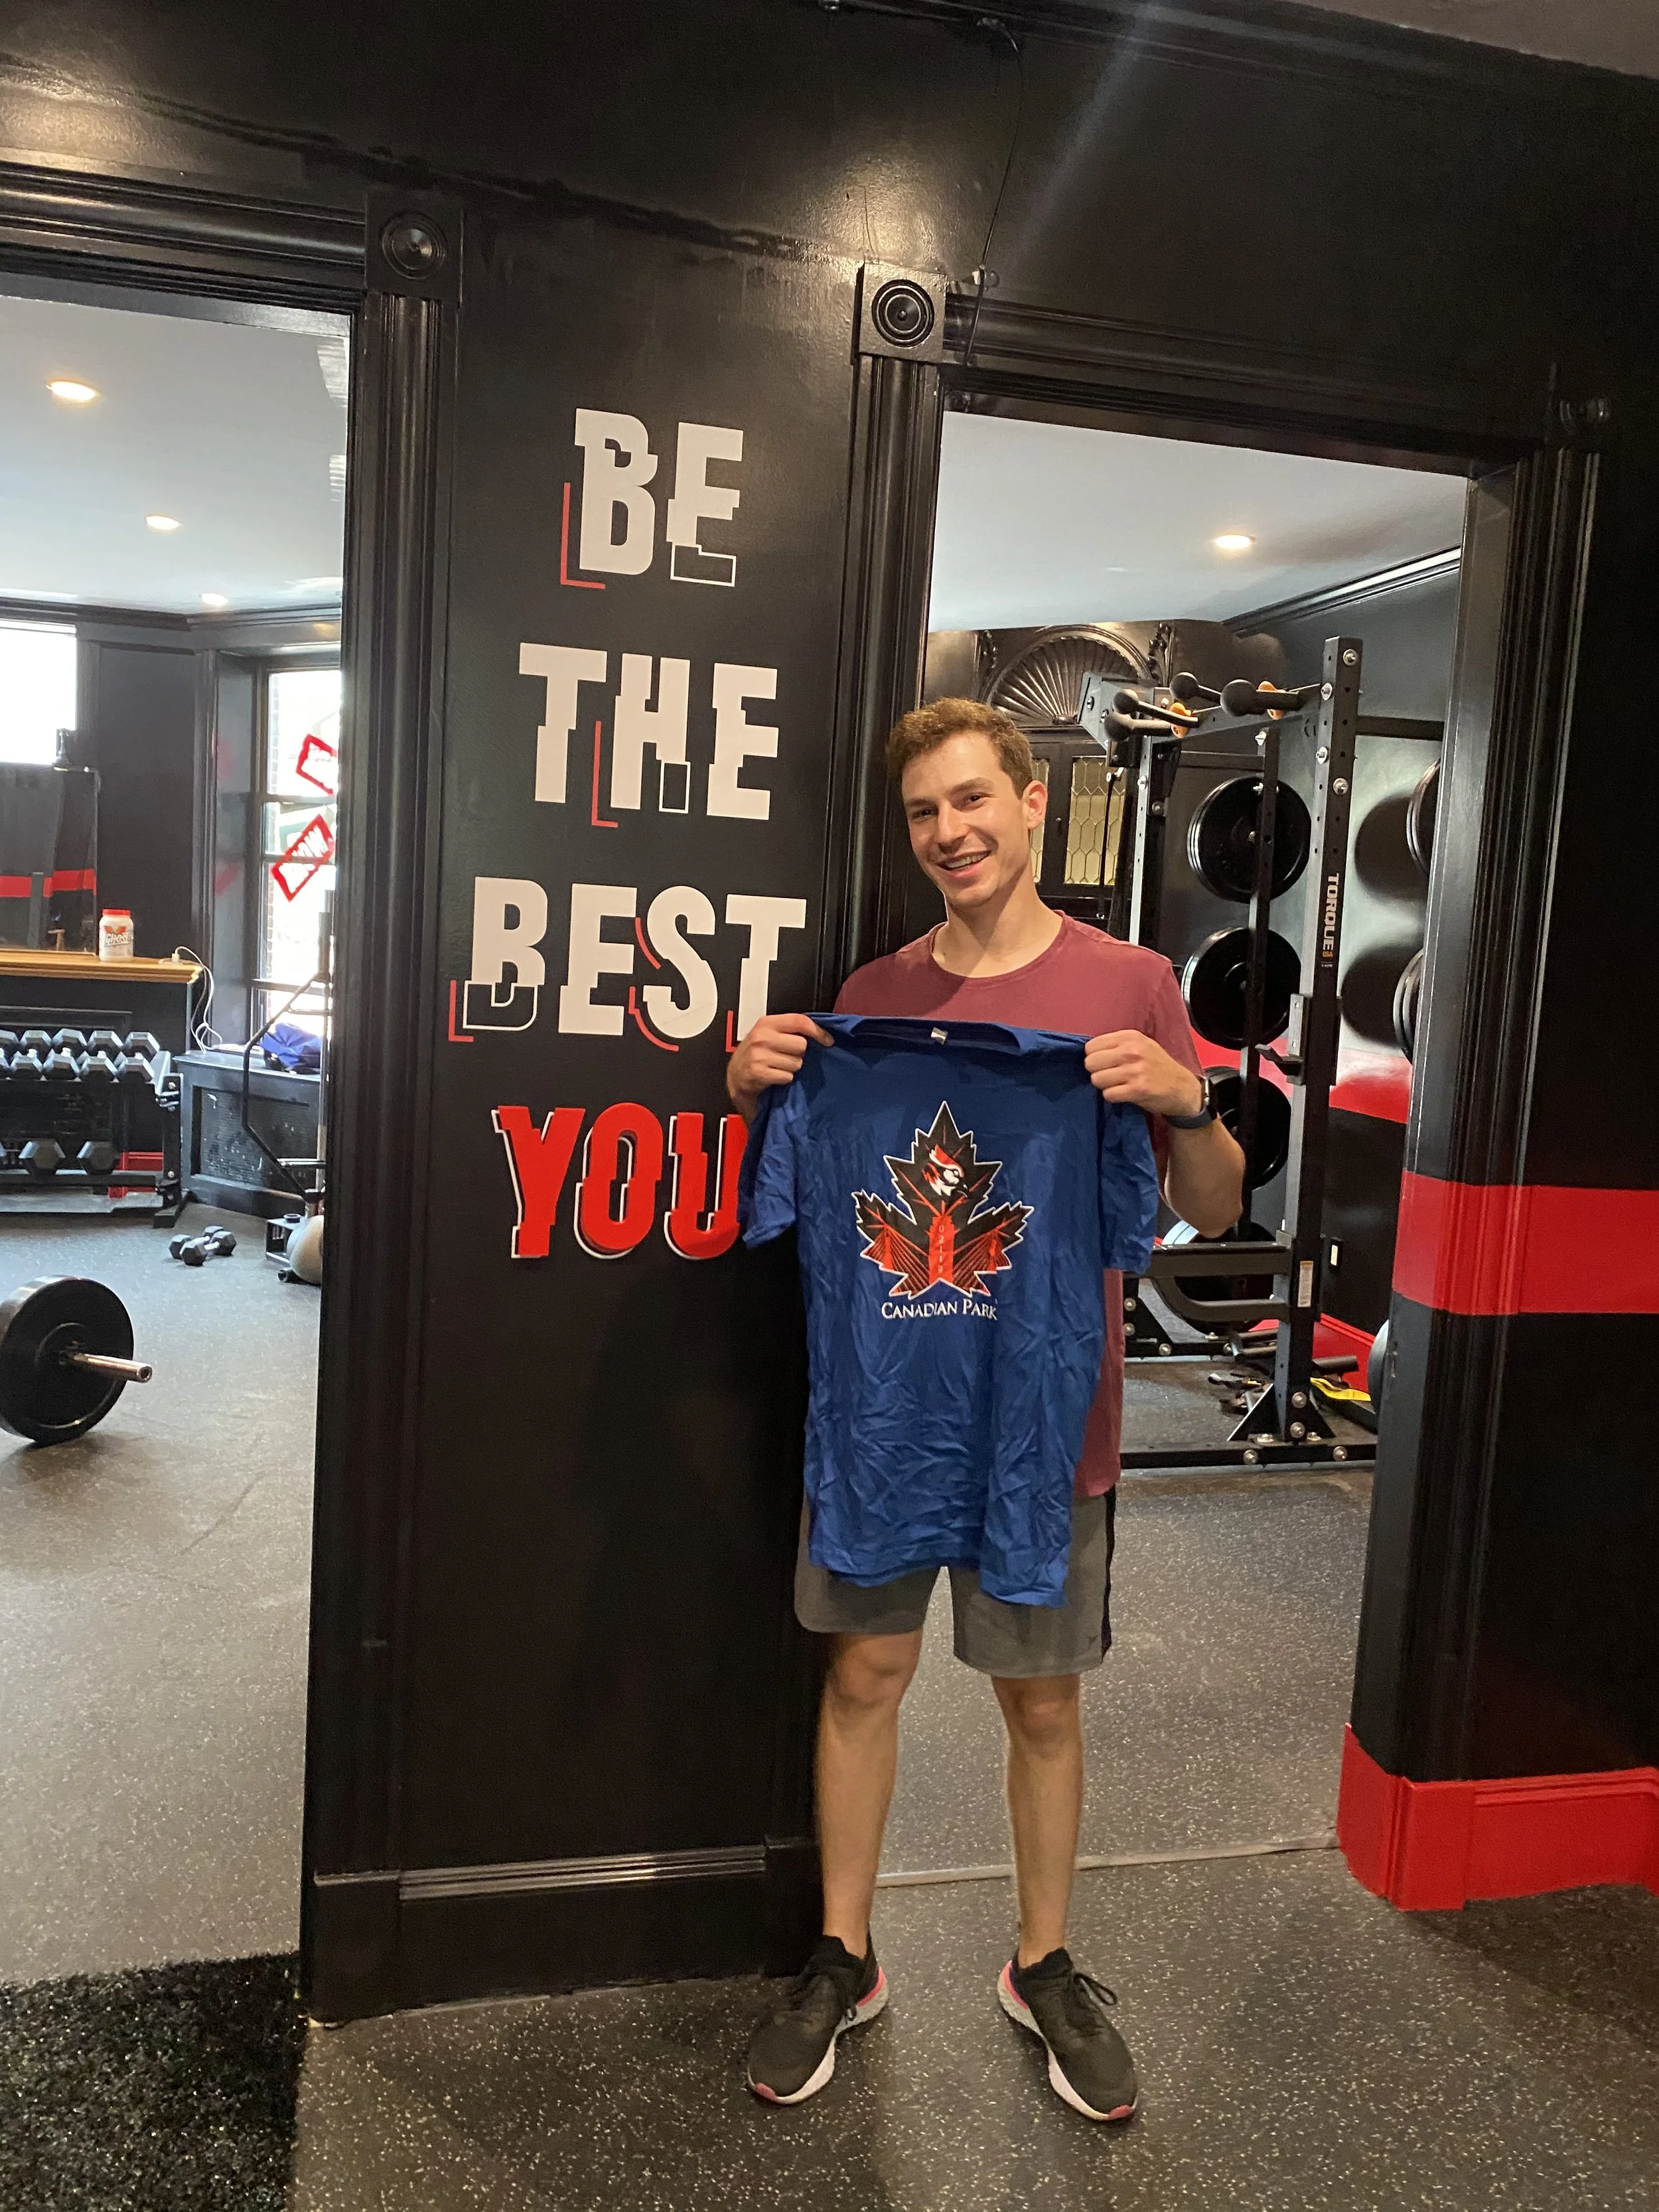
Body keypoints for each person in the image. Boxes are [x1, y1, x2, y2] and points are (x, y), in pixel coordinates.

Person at [729, 698, 1244, 2120]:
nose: (948, 831)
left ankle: (1042, 1961)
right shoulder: (873, 997)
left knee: (1039, 1695)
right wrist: (758, 1084)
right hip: (889, 1410)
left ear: (1030, 803)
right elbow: (784, 1183)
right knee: (862, 1676)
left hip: (1040, 1415)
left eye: (970, 800)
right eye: (921, 814)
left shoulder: (1129, 981)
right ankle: (845, 1952)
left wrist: (1186, 1102)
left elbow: (1209, 1206)